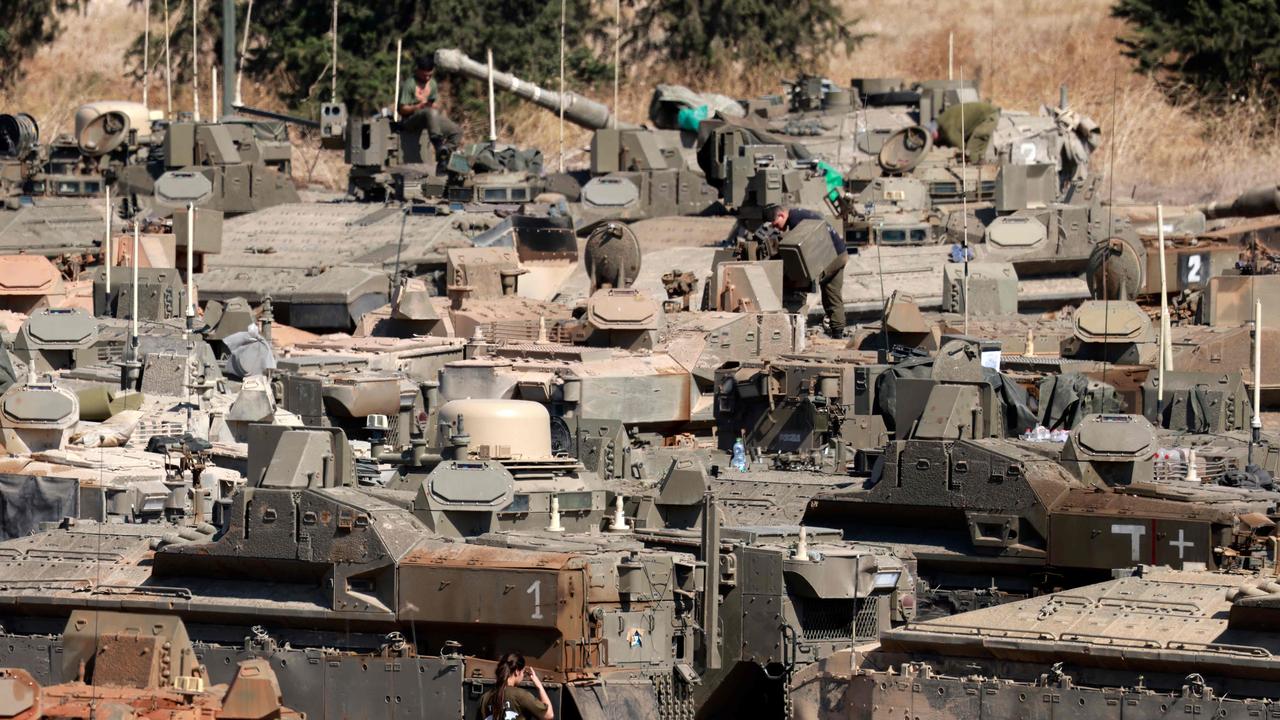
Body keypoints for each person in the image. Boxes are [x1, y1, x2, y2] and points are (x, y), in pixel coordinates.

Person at [765, 204, 849, 338]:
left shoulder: (796, 221)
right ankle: (838, 334)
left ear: (781, 215)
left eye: (775, 224)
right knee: (832, 294)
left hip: (831, 256)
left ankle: (796, 325)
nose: (776, 227)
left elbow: (802, 250)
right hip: (840, 253)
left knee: (800, 281)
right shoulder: (800, 215)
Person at [398, 54, 462, 166]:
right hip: (410, 121)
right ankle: (437, 144)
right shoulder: (409, 84)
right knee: (430, 112)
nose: (427, 78)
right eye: (424, 75)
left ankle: (443, 155)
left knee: (456, 131)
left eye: (430, 75)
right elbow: (402, 109)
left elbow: (433, 103)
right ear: (418, 71)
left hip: (429, 118)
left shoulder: (432, 84)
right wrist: (417, 107)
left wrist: (433, 106)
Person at [477, 652, 554, 720]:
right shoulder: (521, 696)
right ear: (517, 671)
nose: (523, 676)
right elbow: (548, 715)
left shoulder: (485, 698)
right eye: (523, 672)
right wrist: (539, 686)